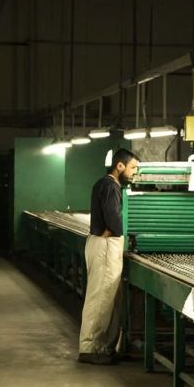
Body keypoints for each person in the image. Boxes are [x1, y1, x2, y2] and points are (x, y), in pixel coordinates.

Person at [77, 148, 140, 365]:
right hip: (105, 247)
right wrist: (122, 228)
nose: (134, 172)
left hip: (104, 244)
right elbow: (115, 222)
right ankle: (89, 348)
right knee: (100, 299)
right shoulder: (110, 186)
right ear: (119, 166)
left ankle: (103, 346)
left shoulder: (106, 185)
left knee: (108, 299)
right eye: (132, 167)